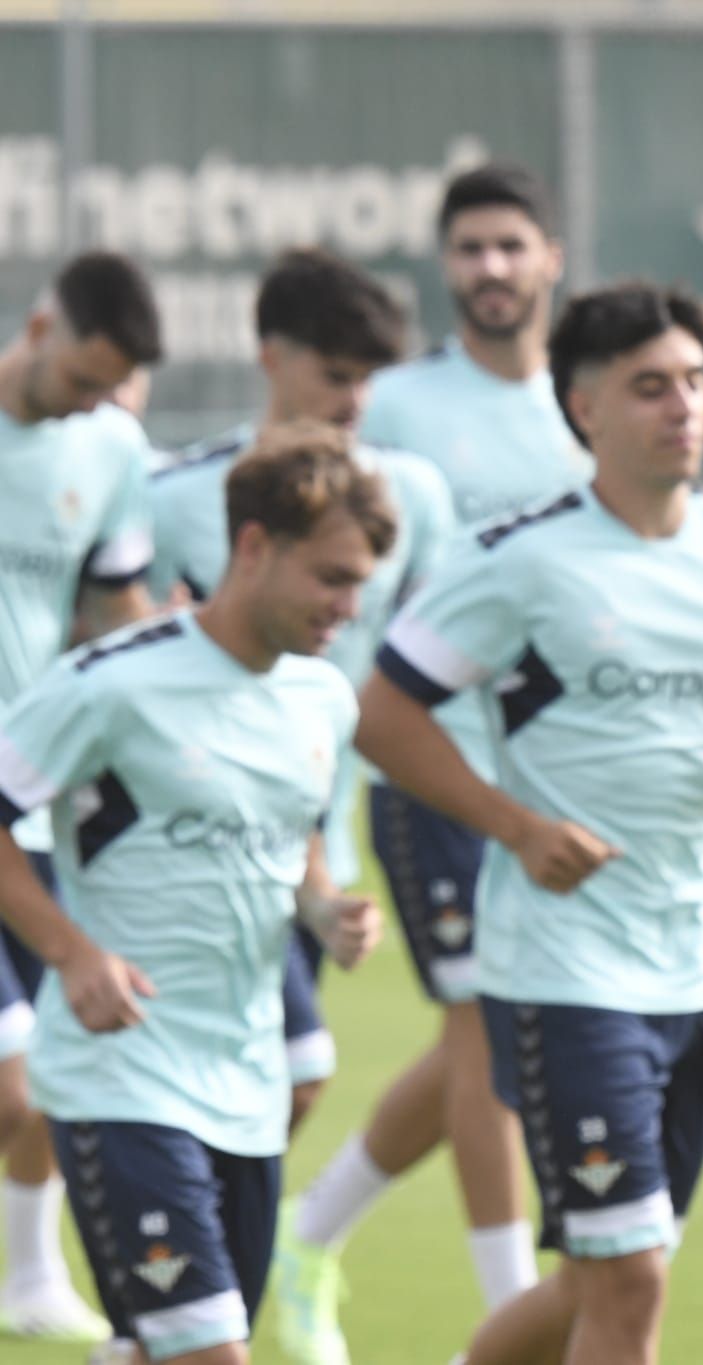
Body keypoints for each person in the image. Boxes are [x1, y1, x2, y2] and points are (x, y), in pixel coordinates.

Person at [360, 280, 703, 1365]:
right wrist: (513, 826)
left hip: (689, 967)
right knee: (631, 1284)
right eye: (650, 387)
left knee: (599, 1281)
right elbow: (382, 712)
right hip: (562, 972)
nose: (683, 407)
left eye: (696, 382)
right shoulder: (519, 558)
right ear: (584, 410)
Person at [273, 161, 590, 1361]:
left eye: (511, 245)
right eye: (467, 250)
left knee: (491, 1033)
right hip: (429, 768)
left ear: (551, 257)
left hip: (552, 780)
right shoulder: (397, 410)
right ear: (445, 268)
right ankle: (514, 1318)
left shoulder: (590, 406)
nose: (490, 269)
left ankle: (308, 1239)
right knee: (485, 1035)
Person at [0, 422, 387, 1365]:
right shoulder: (112, 683)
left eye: (359, 585)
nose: (346, 606)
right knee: (209, 1354)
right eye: (330, 577)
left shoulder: (323, 698)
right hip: (121, 1079)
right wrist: (73, 953)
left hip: (247, 1090)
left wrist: (326, 903)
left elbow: (290, 829)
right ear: (253, 546)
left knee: (157, 1348)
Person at [148, 247, 456, 1139]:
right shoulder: (171, 497)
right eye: (334, 374)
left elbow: (422, 673)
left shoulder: (413, 500)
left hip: (316, 841)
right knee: (273, 1067)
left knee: (273, 1083)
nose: (355, 400)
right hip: (183, 845)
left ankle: (219, 1250)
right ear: (270, 356)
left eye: (369, 378)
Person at [0, 250, 161, 1345]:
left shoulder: (111, 449)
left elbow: (112, 606)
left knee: (57, 1058)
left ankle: (26, 1275)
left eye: (112, 386)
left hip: (30, 785)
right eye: (83, 376)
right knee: (18, 1077)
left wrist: (175, 658)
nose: (94, 400)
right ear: (42, 324)